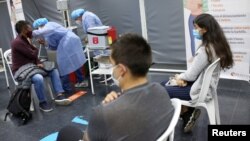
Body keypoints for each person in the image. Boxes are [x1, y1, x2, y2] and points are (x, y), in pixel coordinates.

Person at [57, 33, 175, 141]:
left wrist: (107, 108)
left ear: (121, 70)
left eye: (112, 65)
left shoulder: (104, 113)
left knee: (67, 132)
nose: (111, 70)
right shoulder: (161, 91)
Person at [161, 13, 233, 133]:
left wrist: (179, 76)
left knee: (161, 90)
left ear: (205, 29)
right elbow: (195, 73)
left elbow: (191, 75)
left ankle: (169, 124)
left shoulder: (205, 50)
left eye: (196, 28)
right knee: (164, 83)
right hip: (206, 87)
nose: (194, 30)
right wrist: (181, 78)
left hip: (198, 91)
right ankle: (186, 113)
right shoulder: (217, 46)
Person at [11, 20, 71, 112]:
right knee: (38, 78)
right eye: (29, 29)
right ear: (24, 30)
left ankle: (60, 95)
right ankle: (42, 102)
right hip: (21, 70)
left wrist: (38, 61)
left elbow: (34, 55)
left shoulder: (25, 40)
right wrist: (35, 49)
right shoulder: (17, 42)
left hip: (31, 67)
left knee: (53, 70)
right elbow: (32, 54)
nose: (32, 31)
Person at [32, 18, 88, 94]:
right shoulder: (48, 35)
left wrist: (32, 33)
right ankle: (80, 80)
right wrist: (44, 43)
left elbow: (46, 31)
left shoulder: (50, 24)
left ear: (41, 25)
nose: (39, 29)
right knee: (74, 61)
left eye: (39, 27)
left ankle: (68, 87)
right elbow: (54, 46)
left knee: (63, 66)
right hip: (69, 42)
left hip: (68, 42)